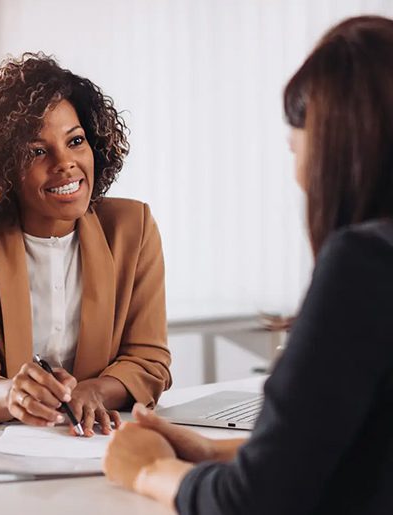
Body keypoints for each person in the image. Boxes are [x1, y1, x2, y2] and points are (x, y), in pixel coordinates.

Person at [103, 15, 393, 513]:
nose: (291, 148)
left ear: (336, 141)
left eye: (298, 132)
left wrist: (150, 470)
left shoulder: (364, 264)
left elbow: (257, 502)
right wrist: (217, 450)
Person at [0, 53, 171, 436]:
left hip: (93, 442)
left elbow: (148, 360)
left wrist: (94, 392)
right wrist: (12, 395)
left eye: (75, 141)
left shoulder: (131, 228)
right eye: (37, 151)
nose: (66, 163)